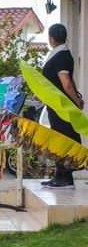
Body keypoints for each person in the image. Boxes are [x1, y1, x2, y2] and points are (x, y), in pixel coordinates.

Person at [41, 23, 84, 189]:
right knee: (60, 138)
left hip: (62, 107)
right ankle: (60, 174)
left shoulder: (61, 56)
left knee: (64, 139)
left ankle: (65, 176)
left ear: (50, 38)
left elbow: (66, 84)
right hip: (56, 106)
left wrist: (76, 100)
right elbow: (66, 81)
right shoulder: (60, 54)